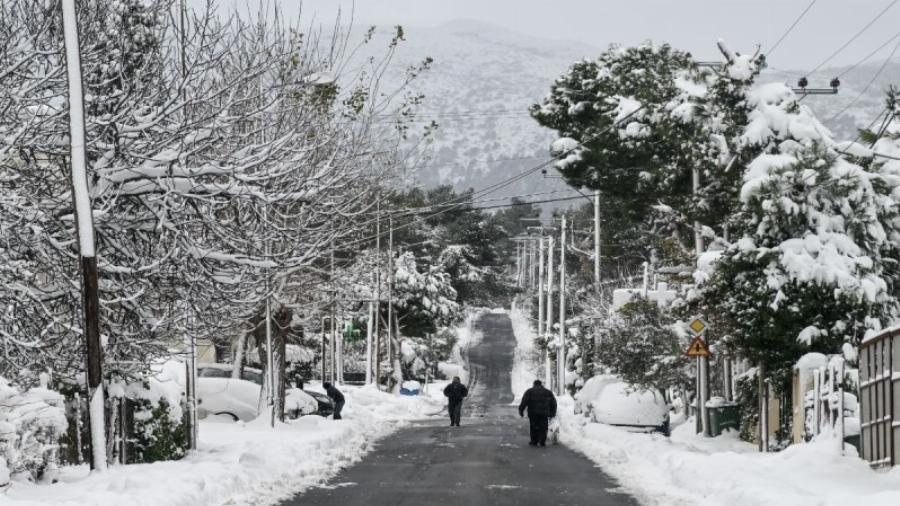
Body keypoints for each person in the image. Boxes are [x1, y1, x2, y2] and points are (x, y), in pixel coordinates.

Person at [518, 379, 557, 446]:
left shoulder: (529, 391)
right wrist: (552, 413)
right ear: (541, 384)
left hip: (533, 413)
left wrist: (521, 410)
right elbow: (553, 403)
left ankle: (534, 441)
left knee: (533, 427)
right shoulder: (547, 392)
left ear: (534, 384)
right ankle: (542, 441)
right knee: (543, 427)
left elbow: (524, 401)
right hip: (544, 413)